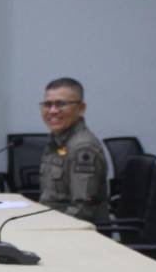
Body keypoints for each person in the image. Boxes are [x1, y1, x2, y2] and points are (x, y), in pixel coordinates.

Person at [37, 76, 110, 224]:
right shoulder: (57, 143)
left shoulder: (83, 148)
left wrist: (42, 228)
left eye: (61, 104)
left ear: (81, 109)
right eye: (47, 104)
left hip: (73, 231)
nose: (53, 111)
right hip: (52, 222)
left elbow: (82, 210)